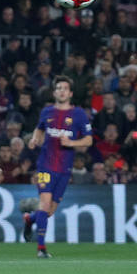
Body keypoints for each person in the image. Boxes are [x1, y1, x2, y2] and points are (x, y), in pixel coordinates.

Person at [22, 76, 93, 258]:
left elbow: (88, 139)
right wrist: (34, 139)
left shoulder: (78, 114)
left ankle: (30, 219)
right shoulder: (47, 112)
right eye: (58, 88)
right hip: (45, 165)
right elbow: (39, 128)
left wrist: (71, 142)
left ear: (70, 93)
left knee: (49, 211)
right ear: (54, 93)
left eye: (65, 88)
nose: (61, 91)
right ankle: (41, 249)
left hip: (64, 169)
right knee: (44, 205)